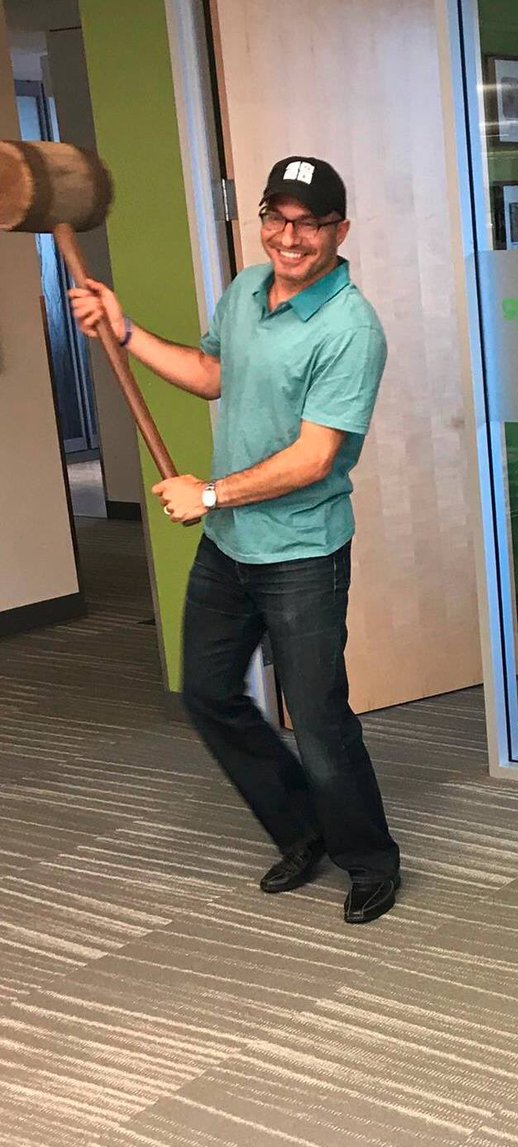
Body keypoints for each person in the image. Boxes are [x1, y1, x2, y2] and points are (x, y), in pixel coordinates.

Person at [69, 156, 401, 924]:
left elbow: (315, 457)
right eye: (275, 218)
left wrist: (210, 490)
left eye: (308, 222)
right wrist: (125, 330)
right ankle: (301, 828)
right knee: (210, 694)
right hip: (230, 547)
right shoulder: (247, 291)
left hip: (302, 552)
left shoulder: (351, 329)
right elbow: (212, 372)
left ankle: (370, 858)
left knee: (318, 720)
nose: (289, 237)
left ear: (338, 231)